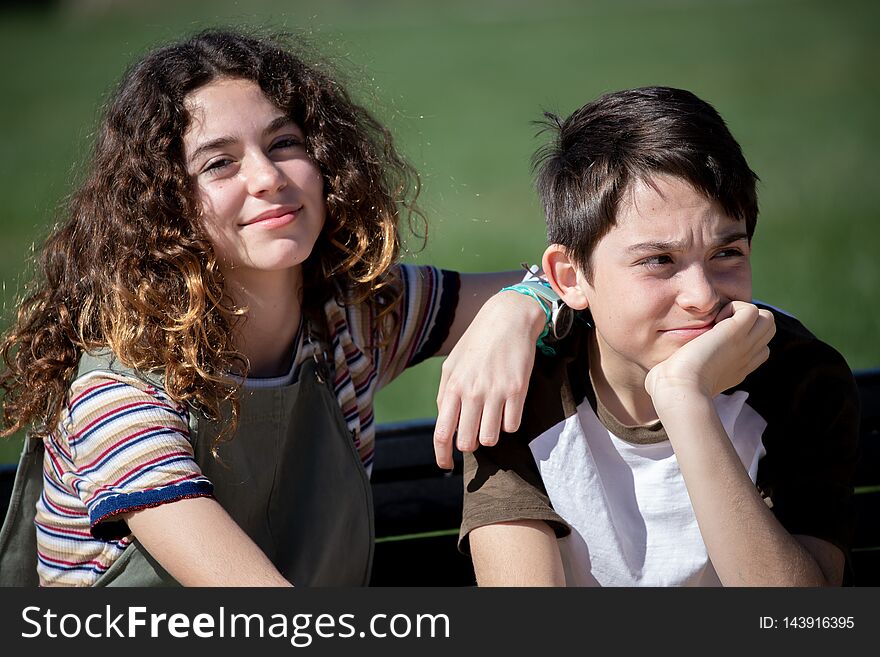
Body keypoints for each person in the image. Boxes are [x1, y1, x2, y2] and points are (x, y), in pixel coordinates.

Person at [0, 28, 543, 587]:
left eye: (284, 142)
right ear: (164, 208)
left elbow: (581, 284)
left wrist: (518, 308)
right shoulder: (119, 396)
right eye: (219, 164)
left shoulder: (354, 318)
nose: (268, 178)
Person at [444, 86, 860, 586]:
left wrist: (685, 400)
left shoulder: (798, 376)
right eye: (659, 261)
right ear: (571, 277)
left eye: (727, 253)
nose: (702, 297)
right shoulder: (517, 387)